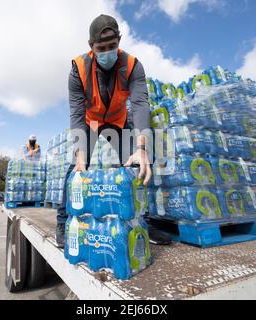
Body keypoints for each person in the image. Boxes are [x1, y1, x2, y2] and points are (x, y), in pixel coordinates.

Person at [55, 14, 170, 247]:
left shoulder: (132, 65)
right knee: (76, 168)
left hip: (118, 121)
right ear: (91, 47)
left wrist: (141, 148)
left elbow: (140, 105)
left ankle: (142, 222)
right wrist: (80, 153)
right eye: (101, 47)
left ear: (119, 41)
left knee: (137, 163)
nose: (107, 51)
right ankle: (63, 222)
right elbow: (76, 112)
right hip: (91, 121)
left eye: (112, 46)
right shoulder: (77, 69)